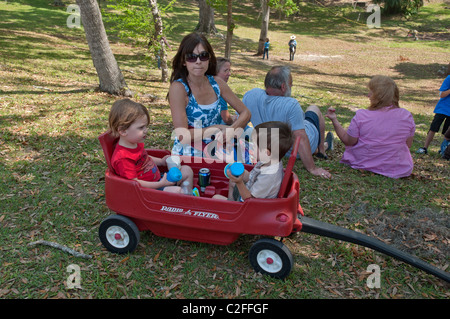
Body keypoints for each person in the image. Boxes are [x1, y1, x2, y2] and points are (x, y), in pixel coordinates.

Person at [168, 33, 251, 160]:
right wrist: (215, 129)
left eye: (203, 56)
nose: (198, 61)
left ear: (209, 58)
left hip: (218, 148)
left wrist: (231, 130)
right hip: (190, 153)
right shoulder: (179, 88)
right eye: (191, 57)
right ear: (183, 61)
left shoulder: (217, 83)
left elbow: (245, 112)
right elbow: (182, 135)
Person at [242, 65, 333, 178]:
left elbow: (239, 120)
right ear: (283, 86)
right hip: (299, 149)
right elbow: (300, 138)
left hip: (279, 150)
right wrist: (312, 168)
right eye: (291, 84)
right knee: (314, 109)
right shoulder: (291, 104)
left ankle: (323, 146)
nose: (292, 86)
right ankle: (322, 151)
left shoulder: (251, 95)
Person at [325, 75, 416, 179]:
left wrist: (334, 120)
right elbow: (408, 144)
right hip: (398, 169)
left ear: (378, 96)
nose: (368, 95)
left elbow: (348, 141)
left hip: (363, 164)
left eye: (371, 92)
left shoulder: (362, 116)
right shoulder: (406, 116)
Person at [109, 98, 194, 192]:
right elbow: (135, 183)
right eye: (141, 127)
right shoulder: (123, 158)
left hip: (159, 180)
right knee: (177, 191)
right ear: (123, 131)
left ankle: (188, 194)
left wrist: (161, 161)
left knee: (186, 170)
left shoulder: (134, 144)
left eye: (146, 126)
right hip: (150, 191)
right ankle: (185, 198)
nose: (146, 130)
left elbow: (145, 158)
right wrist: (160, 184)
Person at [213, 121, 293, 201]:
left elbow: (250, 199)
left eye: (254, 146)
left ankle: (233, 208)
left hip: (253, 207)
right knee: (232, 181)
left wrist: (239, 182)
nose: (251, 147)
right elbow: (251, 177)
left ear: (266, 152)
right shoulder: (269, 161)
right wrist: (232, 162)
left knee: (215, 198)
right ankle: (232, 203)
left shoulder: (269, 176)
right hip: (249, 191)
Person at [416, 72, 450, 155]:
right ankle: (425, 148)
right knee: (433, 128)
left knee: (447, 134)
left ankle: (444, 150)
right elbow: (441, 94)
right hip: (442, 109)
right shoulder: (449, 78)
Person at [216, 57, 235, 125]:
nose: (229, 74)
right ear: (215, 72)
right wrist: (235, 122)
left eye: (229, 70)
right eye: (225, 70)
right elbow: (226, 118)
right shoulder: (219, 90)